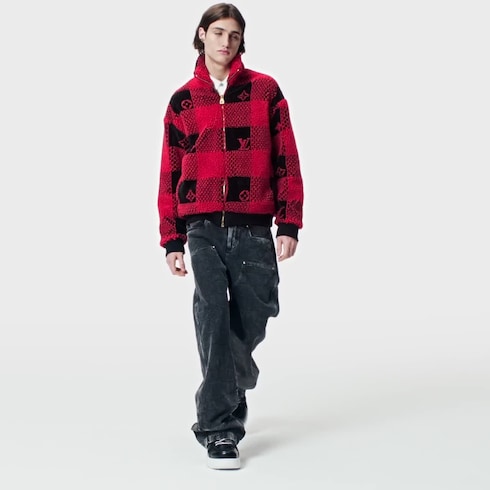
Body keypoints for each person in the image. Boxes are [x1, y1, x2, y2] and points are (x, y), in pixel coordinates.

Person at [157, 2, 304, 470]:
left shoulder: (266, 91)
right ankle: (218, 428)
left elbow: (286, 157)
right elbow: (169, 172)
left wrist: (290, 221)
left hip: (254, 225)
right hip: (200, 227)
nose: (226, 42)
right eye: (218, 32)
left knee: (258, 312)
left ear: (241, 41)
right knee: (213, 319)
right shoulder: (183, 101)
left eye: (234, 35)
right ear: (202, 35)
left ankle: (231, 380)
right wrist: (172, 238)